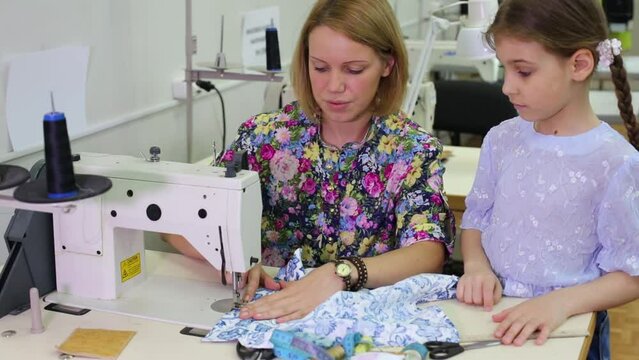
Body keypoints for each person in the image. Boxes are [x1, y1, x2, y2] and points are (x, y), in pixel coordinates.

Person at [166, 0, 455, 324]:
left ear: (388, 64)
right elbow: (177, 218)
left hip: (359, 321)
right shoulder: (267, 138)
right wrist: (229, 258)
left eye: (354, 69)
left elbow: (428, 251)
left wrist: (341, 273)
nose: (334, 86)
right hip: (267, 310)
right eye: (320, 67)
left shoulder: (409, 150)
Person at [455, 0, 639, 357]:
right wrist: (476, 267)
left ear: (580, 65)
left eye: (523, 72)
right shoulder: (501, 139)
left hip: (568, 332)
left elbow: (631, 272)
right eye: (504, 69)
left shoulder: (616, 163)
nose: (507, 87)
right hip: (491, 318)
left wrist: (558, 305)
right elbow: (477, 218)